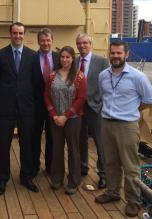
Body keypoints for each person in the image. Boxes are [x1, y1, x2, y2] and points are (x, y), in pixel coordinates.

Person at [95, 40, 152, 217]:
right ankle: (113, 192)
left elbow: (150, 99)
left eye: (119, 53)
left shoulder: (137, 77)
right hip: (106, 123)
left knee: (130, 166)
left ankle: (133, 201)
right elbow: (103, 95)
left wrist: (132, 110)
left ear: (126, 54)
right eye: (112, 53)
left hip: (127, 126)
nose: (115, 56)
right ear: (109, 53)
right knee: (110, 162)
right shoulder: (103, 76)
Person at [0, 22, 39, 195]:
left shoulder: (32, 56)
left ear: (24, 35)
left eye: (20, 33)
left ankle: (26, 177)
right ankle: (2, 178)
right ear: (9, 34)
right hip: (5, 107)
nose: (18, 36)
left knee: (27, 142)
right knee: (3, 144)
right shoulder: (0, 55)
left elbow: (35, 82)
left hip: (26, 107)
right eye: (15, 33)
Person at [44, 46, 87, 195]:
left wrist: (66, 115)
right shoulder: (52, 75)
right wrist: (55, 115)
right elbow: (46, 95)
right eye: (62, 57)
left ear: (72, 59)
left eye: (68, 57)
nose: (65, 59)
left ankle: (74, 181)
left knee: (73, 149)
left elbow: (81, 98)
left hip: (73, 119)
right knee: (57, 148)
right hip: (55, 119)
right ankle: (56, 179)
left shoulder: (80, 76)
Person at [76, 33, 109, 189]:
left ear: (90, 44)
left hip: (96, 108)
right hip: (78, 108)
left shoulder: (102, 62)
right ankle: (83, 167)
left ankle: (103, 174)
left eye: (85, 43)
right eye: (79, 43)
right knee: (80, 139)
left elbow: (108, 85)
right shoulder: (74, 61)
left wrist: (102, 104)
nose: (82, 46)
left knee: (100, 142)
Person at [32, 28, 58, 177]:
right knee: (35, 137)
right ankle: (34, 166)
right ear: (38, 42)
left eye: (48, 40)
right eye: (42, 40)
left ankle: (50, 166)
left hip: (54, 106)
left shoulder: (59, 57)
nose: (45, 43)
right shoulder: (31, 58)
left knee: (52, 137)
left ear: (52, 41)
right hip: (36, 106)